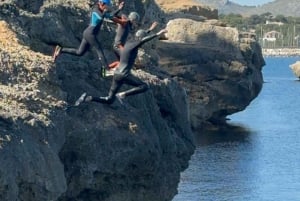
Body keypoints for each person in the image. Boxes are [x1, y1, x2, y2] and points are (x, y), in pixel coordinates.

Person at [74, 28, 168, 106]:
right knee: (144, 86)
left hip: (117, 74)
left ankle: (88, 98)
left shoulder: (128, 43)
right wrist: (158, 33)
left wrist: (148, 30)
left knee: (109, 100)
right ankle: (122, 94)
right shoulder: (134, 45)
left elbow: (140, 38)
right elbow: (143, 40)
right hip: (124, 75)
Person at [52, 0, 125, 77]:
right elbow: (99, 17)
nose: (107, 8)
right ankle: (106, 70)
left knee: (79, 52)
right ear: (101, 3)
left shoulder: (102, 10)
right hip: (90, 34)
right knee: (99, 49)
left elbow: (110, 16)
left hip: (89, 34)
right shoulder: (95, 10)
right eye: (106, 6)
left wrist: (119, 9)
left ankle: (60, 49)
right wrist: (105, 12)